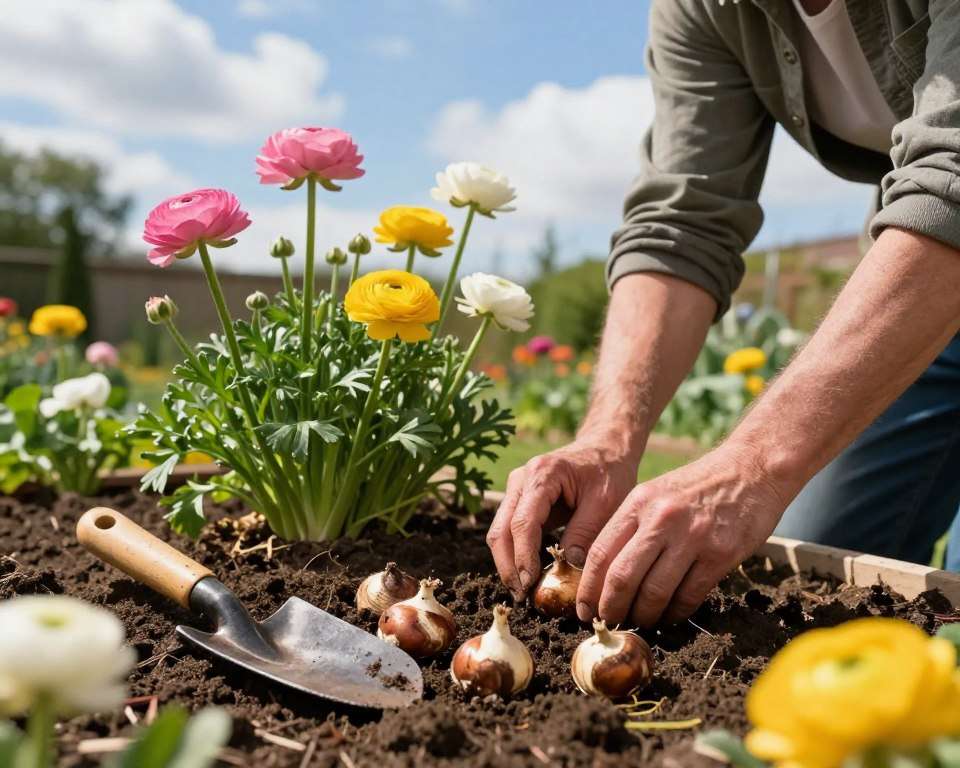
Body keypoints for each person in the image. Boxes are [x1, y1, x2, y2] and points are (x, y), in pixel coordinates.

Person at [487, 0, 960, 629]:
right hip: (922, 283)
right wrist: (609, 438)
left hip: (933, 256)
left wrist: (753, 465)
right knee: (824, 549)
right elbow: (682, 223)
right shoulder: (703, 9)